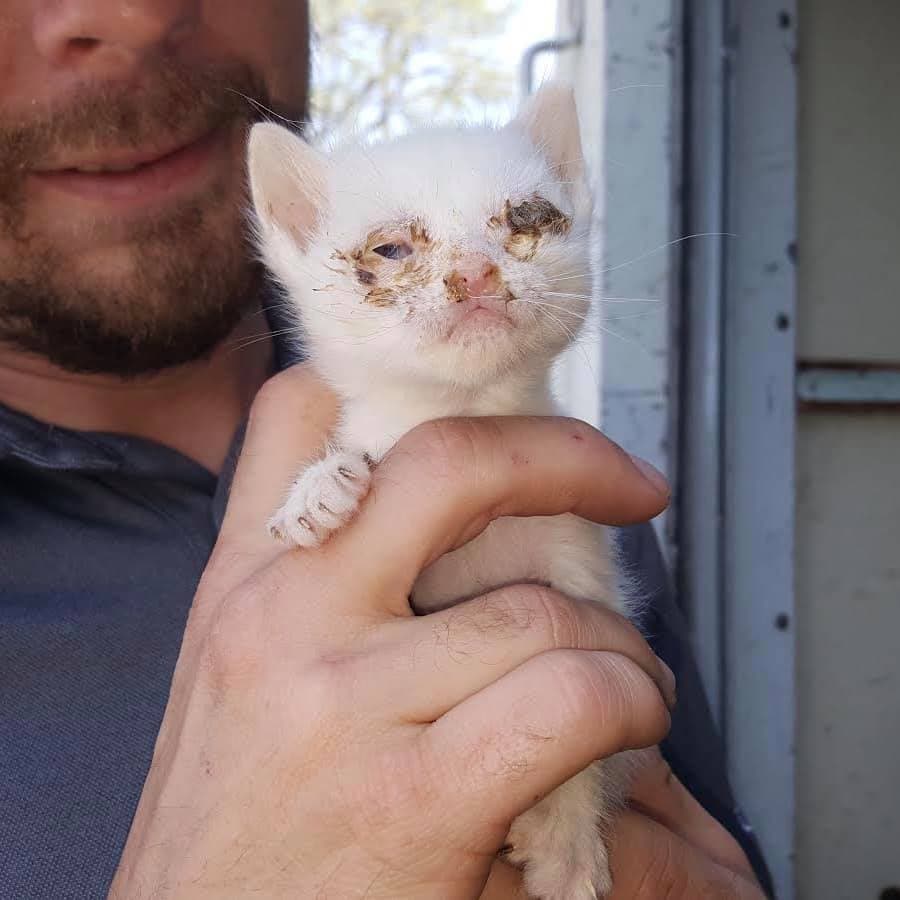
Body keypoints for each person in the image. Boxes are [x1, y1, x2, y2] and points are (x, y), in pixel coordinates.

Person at [0, 2, 772, 898]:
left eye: (523, 221)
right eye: (394, 250)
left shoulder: (577, 485)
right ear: (296, 230)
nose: (126, 14)